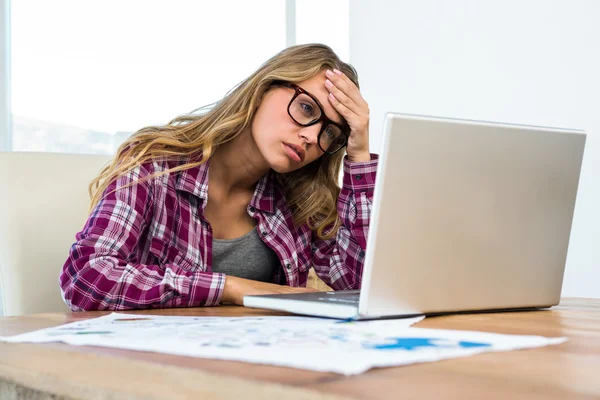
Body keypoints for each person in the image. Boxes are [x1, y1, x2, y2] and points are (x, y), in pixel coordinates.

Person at [59, 43, 378, 311]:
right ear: (262, 89)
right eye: (307, 109)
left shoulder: (300, 201)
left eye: (330, 133)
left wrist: (359, 152)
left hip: (259, 365)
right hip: (153, 367)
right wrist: (232, 287)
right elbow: (85, 278)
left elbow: (364, 288)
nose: (311, 137)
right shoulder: (156, 167)